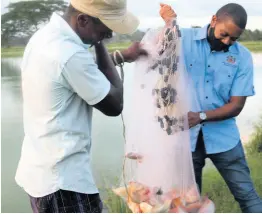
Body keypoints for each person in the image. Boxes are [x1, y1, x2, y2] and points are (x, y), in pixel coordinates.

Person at [15, 0, 147, 212]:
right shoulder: (68, 52)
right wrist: (98, 43)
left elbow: (79, 72)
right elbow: (115, 104)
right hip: (62, 181)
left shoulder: (46, 37)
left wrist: (121, 55)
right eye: (106, 28)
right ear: (83, 19)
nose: (110, 35)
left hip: (42, 172)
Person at [160, 3, 262, 213]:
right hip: (186, 140)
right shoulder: (182, 38)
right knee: (188, 205)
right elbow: (157, 54)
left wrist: (201, 116)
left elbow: (236, 105)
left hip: (225, 139)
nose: (226, 42)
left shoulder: (242, 57)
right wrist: (169, 24)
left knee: (247, 196)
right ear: (214, 20)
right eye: (224, 34)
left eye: (233, 39)